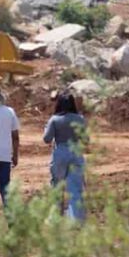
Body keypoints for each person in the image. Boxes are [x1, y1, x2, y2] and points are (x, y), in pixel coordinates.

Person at [43, 92, 87, 221]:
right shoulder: (80, 119)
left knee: (57, 186)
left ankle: (55, 218)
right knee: (76, 188)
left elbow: (47, 139)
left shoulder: (55, 119)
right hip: (76, 151)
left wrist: (46, 128)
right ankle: (77, 219)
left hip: (60, 152)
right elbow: (86, 139)